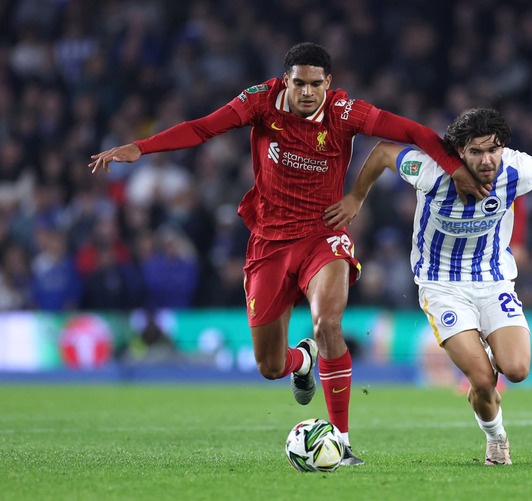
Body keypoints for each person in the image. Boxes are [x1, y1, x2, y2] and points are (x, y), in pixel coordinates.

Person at [88, 42, 489, 466]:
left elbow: (410, 131)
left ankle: (342, 440)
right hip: (269, 243)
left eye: (317, 84)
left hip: (324, 235)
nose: (308, 92)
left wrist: (453, 167)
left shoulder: (344, 112)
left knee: (327, 322)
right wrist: (142, 147)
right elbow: (204, 127)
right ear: (286, 82)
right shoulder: (261, 101)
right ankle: (303, 361)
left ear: (328, 83)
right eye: (300, 83)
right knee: (270, 365)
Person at [324, 107, 532, 465]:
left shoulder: (515, 168)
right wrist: (356, 197)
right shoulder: (429, 171)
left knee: (518, 370)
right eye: (475, 151)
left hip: (493, 280)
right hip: (441, 286)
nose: (487, 159)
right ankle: (497, 439)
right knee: (482, 378)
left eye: (492, 149)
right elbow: (383, 152)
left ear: (502, 147)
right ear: (459, 152)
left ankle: (486, 359)